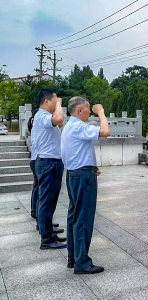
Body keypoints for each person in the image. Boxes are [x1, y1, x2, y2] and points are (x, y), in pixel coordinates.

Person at [61, 97, 110, 274]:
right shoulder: (79, 126)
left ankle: (73, 257)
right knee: (83, 217)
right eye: (88, 109)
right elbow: (105, 131)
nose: (91, 112)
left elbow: (73, 151)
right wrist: (102, 112)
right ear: (80, 110)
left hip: (75, 173)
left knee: (74, 215)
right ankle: (82, 262)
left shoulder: (69, 126)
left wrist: (89, 165)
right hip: (82, 176)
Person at [32, 89, 66, 249]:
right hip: (48, 163)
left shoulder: (44, 117)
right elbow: (59, 118)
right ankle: (46, 239)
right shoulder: (42, 116)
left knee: (49, 200)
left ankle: (49, 233)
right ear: (47, 101)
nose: (57, 102)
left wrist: (57, 104)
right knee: (46, 201)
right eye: (54, 100)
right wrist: (59, 104)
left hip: (50, 162)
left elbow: (60, 121)